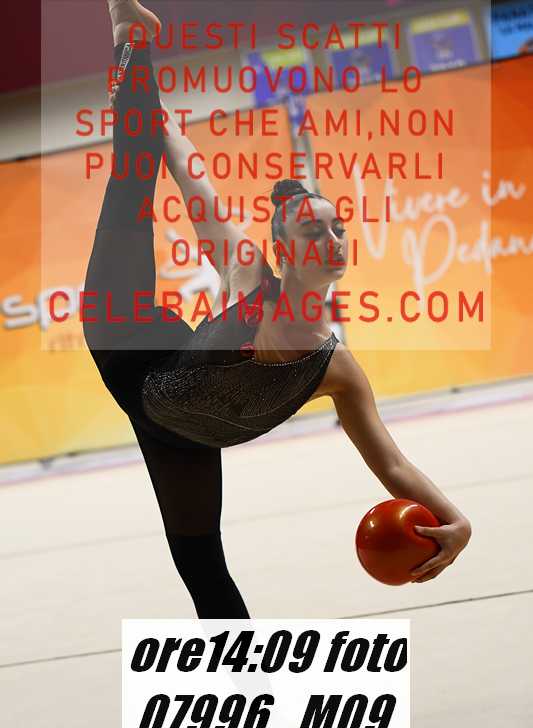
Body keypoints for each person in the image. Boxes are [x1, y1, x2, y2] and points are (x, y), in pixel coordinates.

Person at [83, 0, 471, 620]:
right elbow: (191, 177)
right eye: (312, 230)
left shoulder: (337, 369)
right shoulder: (246, 274)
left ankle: (244, 678)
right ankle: (127, 28)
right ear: (282, 250)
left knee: (202, 568)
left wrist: (457, 522)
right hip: (126, 335)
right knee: (137, 164)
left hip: (178, 434)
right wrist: (155, 119)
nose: (331, 238)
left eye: (337, 227)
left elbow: (392, 461)